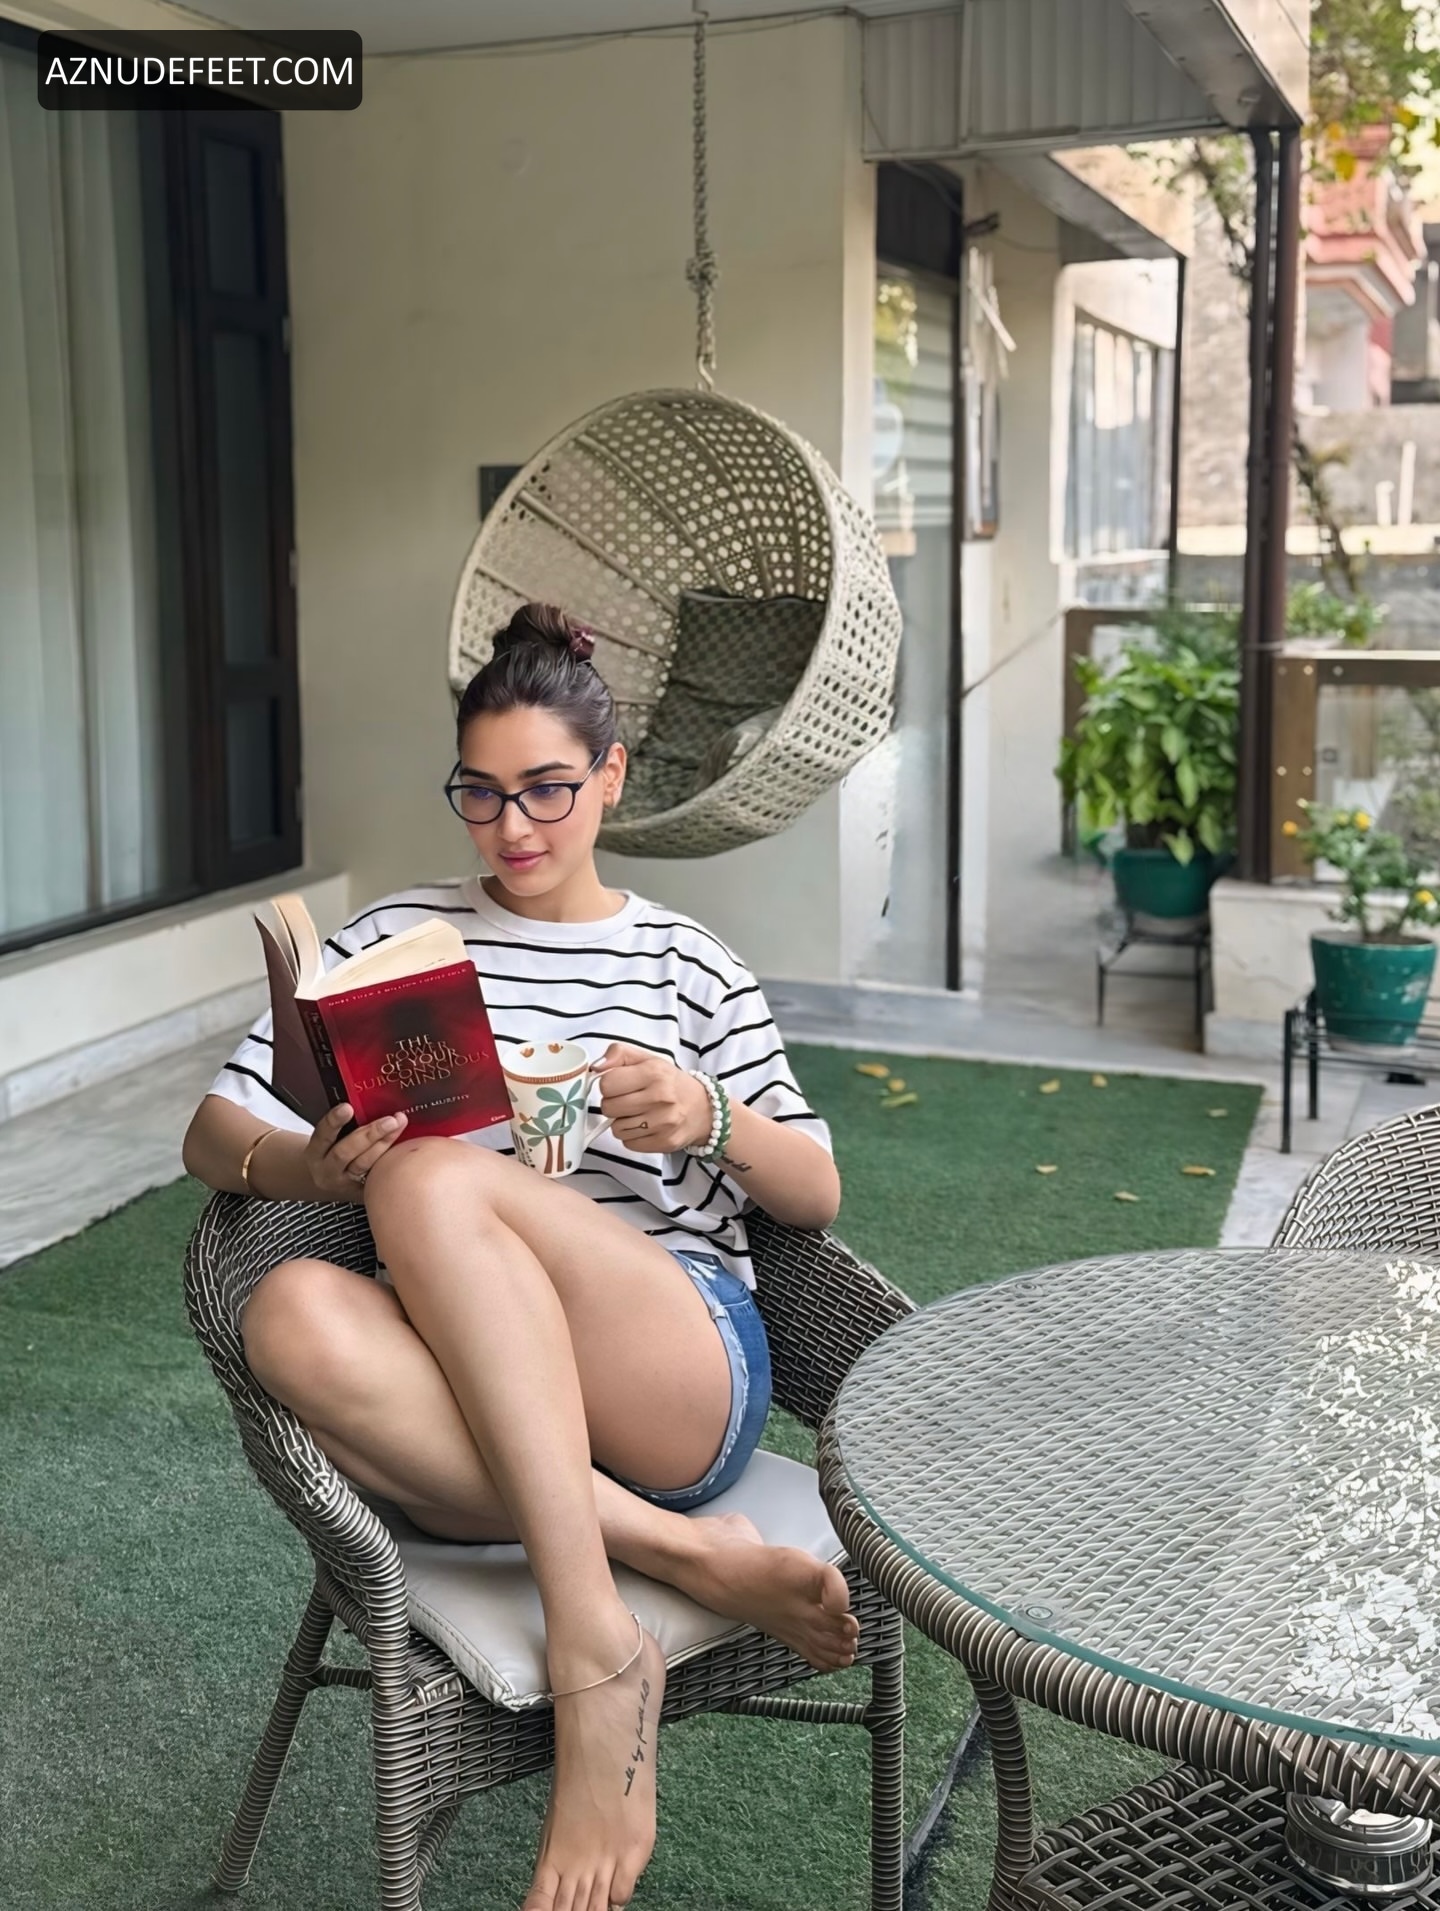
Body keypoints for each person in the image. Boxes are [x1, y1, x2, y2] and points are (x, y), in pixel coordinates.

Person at [181, 602, 855, 1911]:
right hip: (476, 1402)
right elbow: (212, 1132)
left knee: (433, 1176)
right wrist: (311, 1168)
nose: (514, 827)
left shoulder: (687, 965)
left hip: (673, 1371)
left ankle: (595, 1649)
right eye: (480, 794)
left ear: (610, 775)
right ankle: (673, 1554)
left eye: (548, 787)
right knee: (288, 1313)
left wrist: (709, 1116)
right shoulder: (397, 940)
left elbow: (817, 1190)